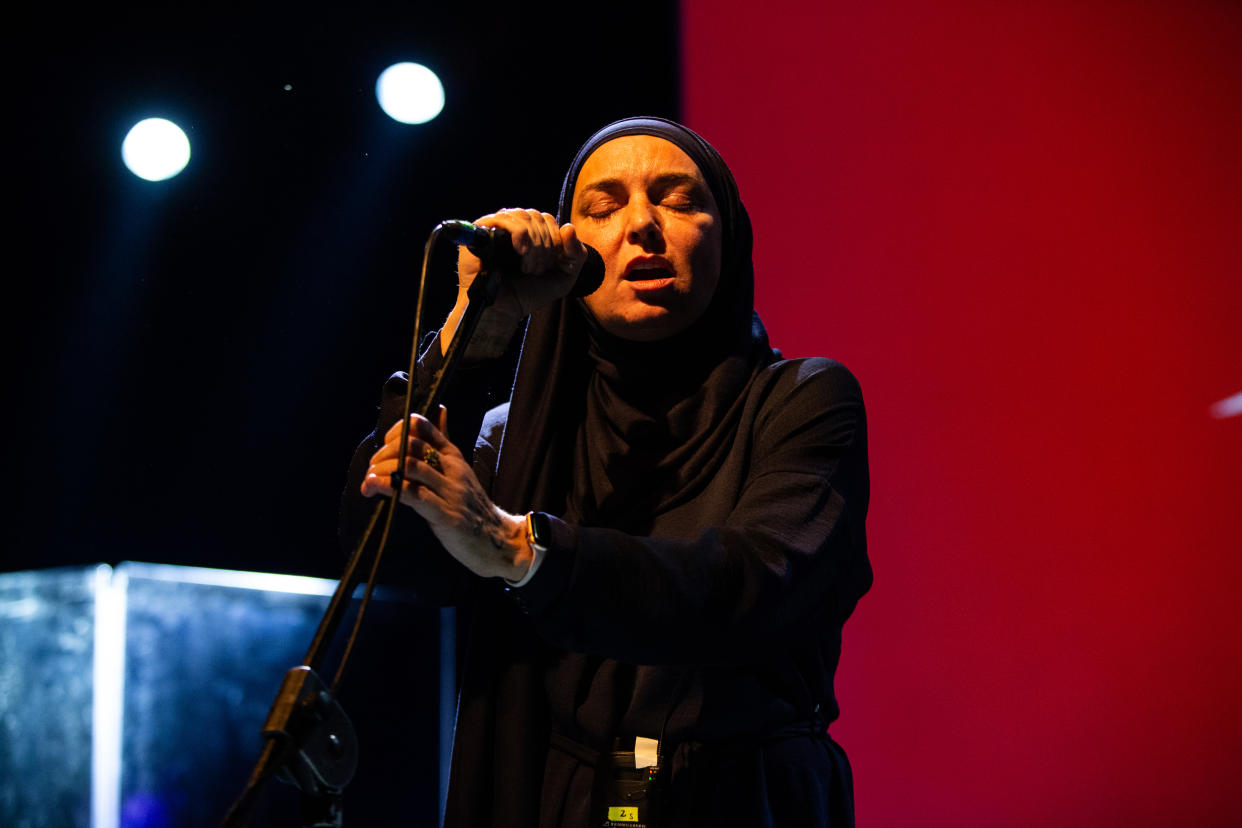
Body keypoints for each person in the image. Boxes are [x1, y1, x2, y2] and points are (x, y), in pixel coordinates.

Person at [341, 116, 872, 827]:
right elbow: (389, 553)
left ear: (731, 236)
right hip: (563, 791)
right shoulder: (519, 435)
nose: (642, 226)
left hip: (742, 798)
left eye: (679, 200)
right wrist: (479, 319)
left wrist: (520, 548)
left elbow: (753, 583)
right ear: (572, 250)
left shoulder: (803, 399)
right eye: (602, 207)